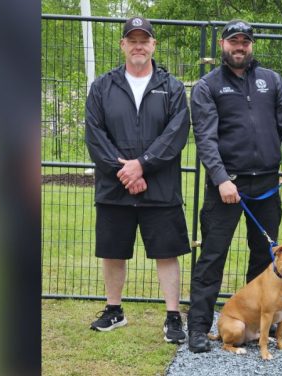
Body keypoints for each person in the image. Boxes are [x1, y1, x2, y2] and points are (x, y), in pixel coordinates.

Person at [187, 19, 282, 353]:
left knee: (265, 261)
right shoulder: (207, 86)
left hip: (267, 187)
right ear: (222, 44)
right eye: (234, 41)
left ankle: (257, 325)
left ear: (251, 45)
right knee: (212, 258)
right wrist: (222, 178)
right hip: (226, 189)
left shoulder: (272, 81)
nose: (240, 47)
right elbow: (205, 139)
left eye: (245, 42)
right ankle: (198, 328)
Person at [84, 16, 191, 344]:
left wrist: (142, 166)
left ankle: (173, 317)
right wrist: (126, 173)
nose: (139, 45)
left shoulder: (171, 87)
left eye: (144, 39)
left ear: (153, 45)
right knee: (113, 251)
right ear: (123, 45)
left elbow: (176, 134)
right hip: (115, 188)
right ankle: (114, 310)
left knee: (166, 252)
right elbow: (95, 135)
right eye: (132, 40)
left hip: (160, 188)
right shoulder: (102, 86)